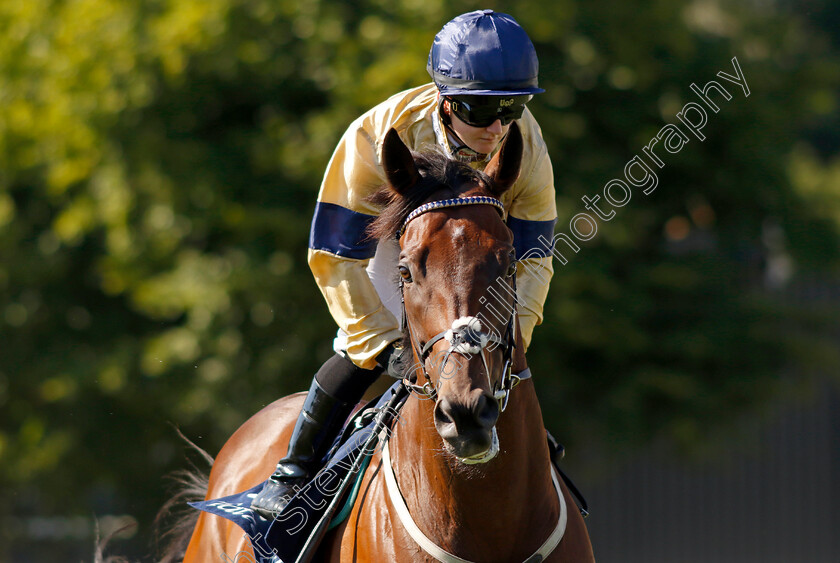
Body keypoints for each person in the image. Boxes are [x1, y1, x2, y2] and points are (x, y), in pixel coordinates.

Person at [251, 9, 558, 519]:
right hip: (398, 244)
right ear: (445, 98)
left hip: (481, 253)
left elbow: (534, 258)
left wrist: (510, 340)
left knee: (499, 351)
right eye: (483, 112)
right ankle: (294, 471)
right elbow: (333, 255)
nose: (501, 125)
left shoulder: (527, 144)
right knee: (360, 349)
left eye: (515, 106)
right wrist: (380, 342)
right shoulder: (377, 134)